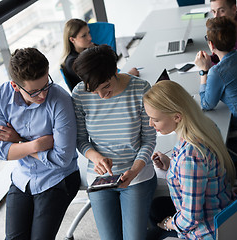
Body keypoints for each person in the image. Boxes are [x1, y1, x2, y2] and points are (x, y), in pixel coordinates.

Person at [0, 48, 80, 240]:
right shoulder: (1, 96)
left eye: (46, 84)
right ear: (15, 86)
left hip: (58, 178)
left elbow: (62, 159)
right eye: (34, 92)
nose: (42, 95)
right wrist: (35, 145)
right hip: (23, 178)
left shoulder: (60, 100)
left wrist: (17, 142)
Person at [71, 44, 157, 240]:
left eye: (106, 87)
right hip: (100, 177)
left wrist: (134, 170)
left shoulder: (140, 89)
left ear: (114, 72)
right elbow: (81, 139)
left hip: (137, 174)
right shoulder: (79, 94)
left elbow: (149, 140)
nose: (102, 95)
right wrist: (96, 157)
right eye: (94, 91)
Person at [143, 80, 236, 240]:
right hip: (223, 207)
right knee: (156, 207)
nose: (150, 124)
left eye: (155, 119)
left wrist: (168, 223)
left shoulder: (189, 157)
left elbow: (191, 218)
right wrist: (172, 164)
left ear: (177, 117)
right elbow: (199, 169)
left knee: (148, 234)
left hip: (207, 231)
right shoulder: (206, 126)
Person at [61, 18, 139, 91]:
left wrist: (94, 47)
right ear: (72, 39)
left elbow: (114, 57)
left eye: (89, 33)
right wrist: (128, 75)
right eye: (84, 36)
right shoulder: (72, 62)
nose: (89, 38)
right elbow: (99, 82)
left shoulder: (87, 49)